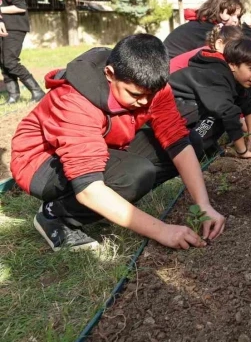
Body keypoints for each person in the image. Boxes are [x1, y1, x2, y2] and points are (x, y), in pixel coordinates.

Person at [11, 34, 225, 251]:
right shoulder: (75, 101)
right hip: (41, 161)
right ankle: (55, 215)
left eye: (149, 96)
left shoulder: (150, 87)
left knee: (192, 141)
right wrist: (163, 231)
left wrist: (204, 205)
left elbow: (177, 141)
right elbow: (89, 188)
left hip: (102, 143)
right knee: (134, 175)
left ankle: (107, 203)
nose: (144, 102)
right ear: (110, 74)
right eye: (135, 94)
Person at [170, 38, 251, 160]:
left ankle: (206, 146)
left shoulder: (232, 77)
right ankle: (192, 149)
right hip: (174, 107)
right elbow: (229, 113)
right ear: (233, 65)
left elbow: (248, 105)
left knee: (224, 112)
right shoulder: (216, 76)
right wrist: (242, 151)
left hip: (188, 108)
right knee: (222, 114)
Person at [0, 0, 45, 103]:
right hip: (5, 27)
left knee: (10, 61)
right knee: (2, 61)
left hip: (15, 28)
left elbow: (20, 6)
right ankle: (13, 94)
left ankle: (37, 91)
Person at [163, 0, 243, 58]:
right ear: (217, 11)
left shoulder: (201, 24)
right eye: (231, 14)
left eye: (237, 16)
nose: (236, 20)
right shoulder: (205, 30)